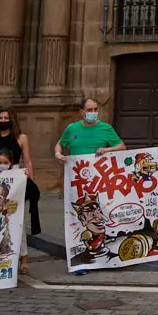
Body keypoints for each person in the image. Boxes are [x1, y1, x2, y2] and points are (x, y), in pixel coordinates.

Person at [55, 98, 124, 276]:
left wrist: (107, 150)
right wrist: (58, 153)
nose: (93, 112)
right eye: (89, 109)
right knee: (78, 220)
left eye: (95, 109)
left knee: (102, 216)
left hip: (100, 181)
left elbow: (121, 146)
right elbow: (60, 144)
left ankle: (105, 255)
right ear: (81, 112)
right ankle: (81, 260)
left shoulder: (106, 128)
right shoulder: (72, 129)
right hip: (77, 183)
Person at [0, 107, 37, 272]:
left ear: (12, 119)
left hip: (14, 180)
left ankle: (23, 257)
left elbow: (28, 161)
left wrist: (30, 182)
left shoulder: (21, 138)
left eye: (6, 118)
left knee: (17, 219)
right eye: (0, 118)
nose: (3, 120)